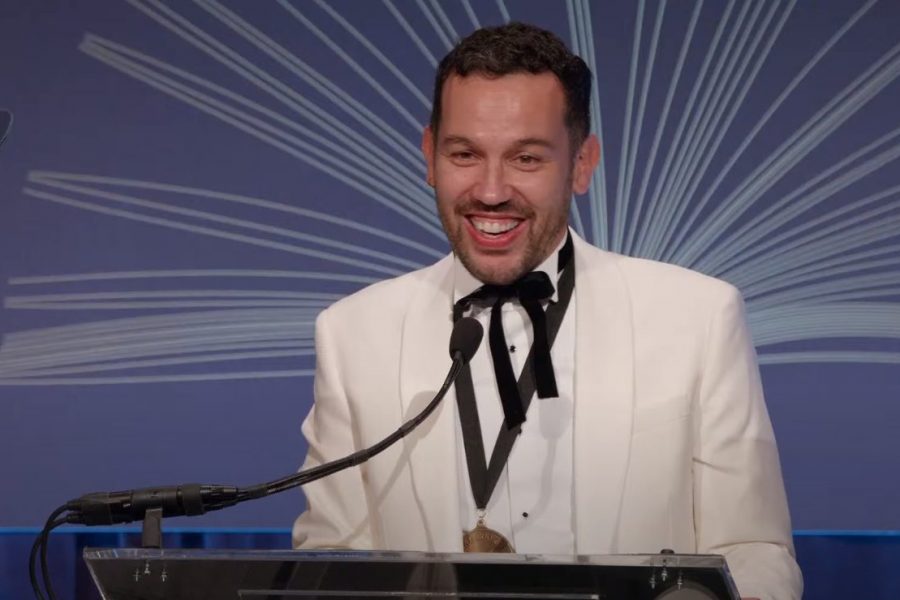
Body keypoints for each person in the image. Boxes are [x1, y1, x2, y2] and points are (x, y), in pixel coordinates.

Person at [293, 22, 802, 600]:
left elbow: (755, 552)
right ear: (429, 156)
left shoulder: (698, 318)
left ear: (582, 164)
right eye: (465, 154)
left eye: (526, 158)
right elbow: (329, 563)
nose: (490, 190)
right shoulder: (352, 333)